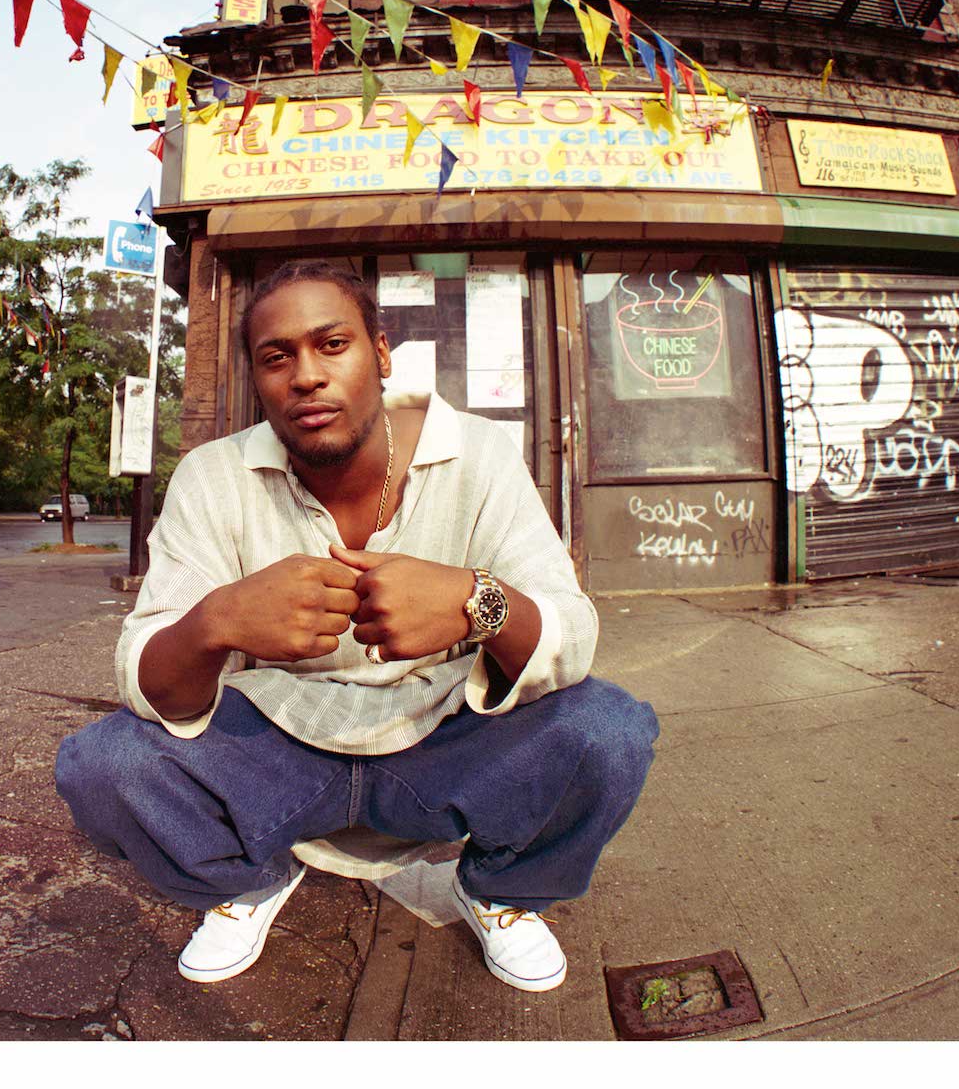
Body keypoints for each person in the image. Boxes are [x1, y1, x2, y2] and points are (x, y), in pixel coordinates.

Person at [55, 260, 658, 993]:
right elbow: (146, 678)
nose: (306, 375)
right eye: (277, 357)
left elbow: (571, 634)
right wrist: (218, 621)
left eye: (331, 344)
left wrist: (476, 598)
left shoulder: (478, 453)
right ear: (256, 378)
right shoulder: (214, 476)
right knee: (103, 764)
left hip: (445, 739)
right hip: (279, 746)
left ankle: (503, 888)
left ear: (380, 353)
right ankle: (247, 880)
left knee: (609, 730)